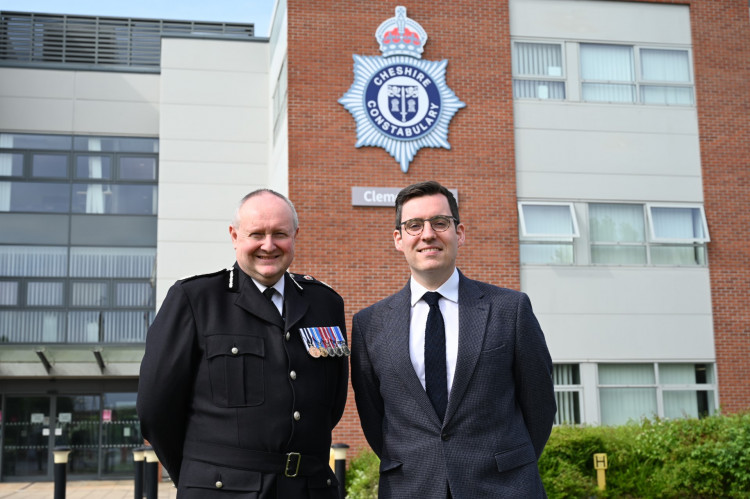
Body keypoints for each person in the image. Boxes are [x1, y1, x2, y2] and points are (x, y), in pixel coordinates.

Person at [137, 189, 348, 498]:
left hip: (310, 488)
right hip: (223, 490)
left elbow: (332, 403)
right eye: (256, 234)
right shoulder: (195, 300)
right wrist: (198, 472)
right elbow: (155, 411)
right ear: (234, 236)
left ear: (295, 235)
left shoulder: (325, 302)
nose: (268, 245)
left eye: (280, 234)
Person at [351, 180, 556, 498]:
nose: (428, 234)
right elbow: (374, 417)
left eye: (440, 223)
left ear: (459, 233)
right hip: (412, 487)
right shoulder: (370, 324)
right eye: (414, 225)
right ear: (398, 239)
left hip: (502, 487)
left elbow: (539, 404)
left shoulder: (510, 309)